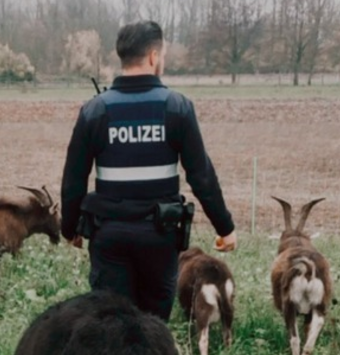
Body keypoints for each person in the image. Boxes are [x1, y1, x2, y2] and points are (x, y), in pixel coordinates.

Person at [60, 20, 237, 321]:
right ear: (154, 56)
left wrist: (70, 228)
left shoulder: (96, 110)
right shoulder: (177, 107)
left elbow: (73, 179)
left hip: (109, 237)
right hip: (159, 238)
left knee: (112, 324)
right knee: (153, 326)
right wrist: (225, 228)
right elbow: (201, 176)